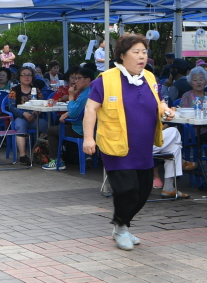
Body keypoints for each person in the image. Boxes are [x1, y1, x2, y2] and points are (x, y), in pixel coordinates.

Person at [82, 34, 178, 249]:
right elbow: (90, 109)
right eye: (136, 52)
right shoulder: (105, 80)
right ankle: (121, 228)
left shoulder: (150, 78)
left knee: (143, 191)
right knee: (127, 189)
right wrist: (88, 138)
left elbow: (159, 100)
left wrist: (165, 110)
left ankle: (121, 225)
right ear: (122, 55)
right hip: (115, 146)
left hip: (143, 146)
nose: (141, 56)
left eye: (144, 52)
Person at [43, 67, 93, 171]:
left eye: (79, 78)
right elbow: (79, 110)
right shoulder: (91, 91)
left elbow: (74, 114)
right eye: (74, 78)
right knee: (61, 124)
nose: (76, 81)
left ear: (87, 80)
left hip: (80, 130)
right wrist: (67, 113)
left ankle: (56, 161)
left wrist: (71, 96)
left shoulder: (84, 95)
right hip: (91, 128)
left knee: (51, 130)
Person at [9, 65, 42, 165]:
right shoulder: (15, 90)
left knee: (46, 126)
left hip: (34, 118)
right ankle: (23, 155)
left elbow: (42, 102)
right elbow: (11, 107)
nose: (27, 77)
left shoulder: (36, 90)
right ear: (19, 77)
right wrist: (24, 113)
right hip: (20, 117)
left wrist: (37, 111)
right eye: (24, 75)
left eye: (29, 75)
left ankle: (38, 152)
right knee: (20, 126)